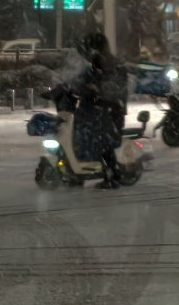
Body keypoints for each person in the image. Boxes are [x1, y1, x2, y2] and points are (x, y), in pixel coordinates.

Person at [52, 28, 128, 187]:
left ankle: (112, 176)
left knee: (102, 142)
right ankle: (78, 172)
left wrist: (96, 90)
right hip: (94, 111)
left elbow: (113, 89)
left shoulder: (110, 65)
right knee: (79, 137)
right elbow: (79, 80)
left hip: (106, 112)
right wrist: (63, 89)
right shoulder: (96, 64)